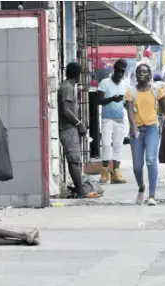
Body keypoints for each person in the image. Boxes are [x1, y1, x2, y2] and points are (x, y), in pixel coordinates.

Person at [126, 64, 165, 205]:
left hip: (152, 129)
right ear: (136, 75)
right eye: (139, 72)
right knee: (137, 166)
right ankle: (141, 187)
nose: (141, 74)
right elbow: (129, 111)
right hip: (137, 131)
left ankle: (152, 196)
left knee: (151, 161)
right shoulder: (130, 91)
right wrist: (133, 127)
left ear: (149, 75)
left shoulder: (156, 90)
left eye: (144, 72)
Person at [58, 62, 99, 199]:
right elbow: (66, 110)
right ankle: (81, 191)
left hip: (69, 128)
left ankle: (79, 188)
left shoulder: (68, 87)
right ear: (78, 75)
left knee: (74, 159)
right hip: (68, 128)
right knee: (74, 160)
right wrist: (78, 123)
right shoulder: (68, 87)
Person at [97, 60, 128, 184]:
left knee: (118, 145)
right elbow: (99, 100)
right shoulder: (105, 83)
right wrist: (111, 99)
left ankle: (116, 172)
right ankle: (104, 171)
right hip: (107, 119)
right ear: (114, 70)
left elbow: (127, 103)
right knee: (105, 144)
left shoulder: (124, 85)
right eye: (118, 71)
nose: (120, 74)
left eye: (122, 71)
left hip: (119, 118)